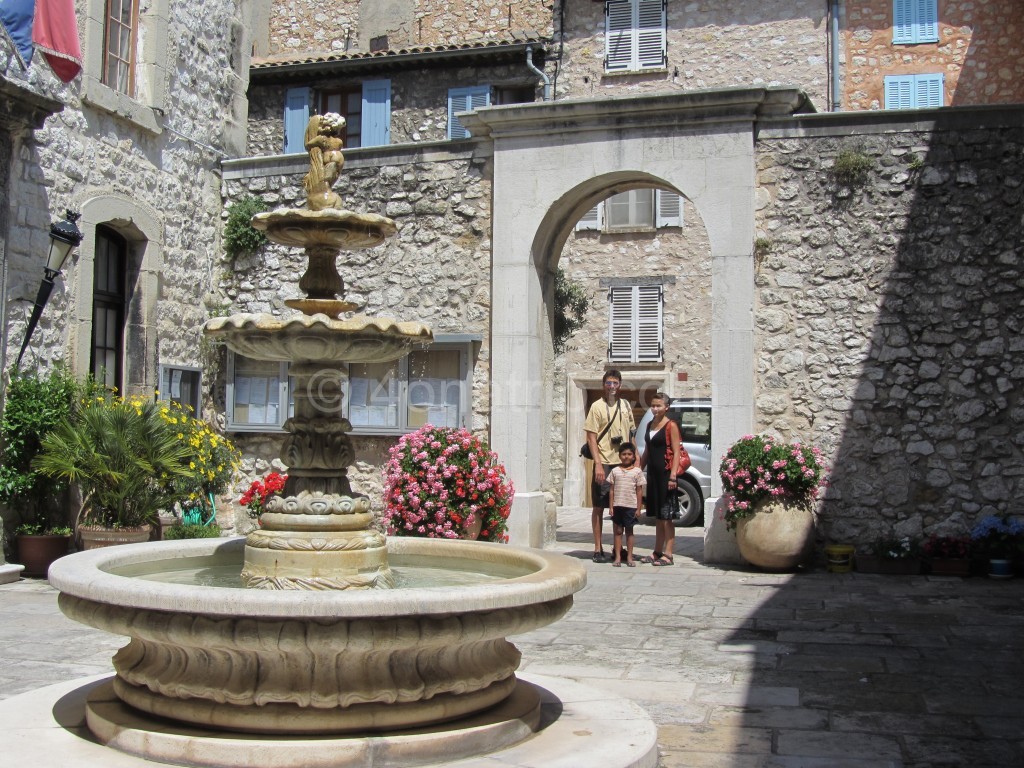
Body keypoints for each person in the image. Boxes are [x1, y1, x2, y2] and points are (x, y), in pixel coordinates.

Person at [584, 369, 635, 562]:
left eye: (615, 383)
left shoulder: (626, 406)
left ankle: (618, 548)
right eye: (608, 383)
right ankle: (598, 548)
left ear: (620, 384)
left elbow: (631, 433)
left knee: (620, 506)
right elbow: (591, 436)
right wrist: (597, 464)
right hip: (604, 462)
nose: (611, 386)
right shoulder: (596, 406)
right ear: (603, 385)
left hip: (623, 463)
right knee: (599, 506)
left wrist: (636, 457)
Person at [639, 392, 681, 566]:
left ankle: (668, 553)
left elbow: (677, 451)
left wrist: (673, 476)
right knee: (657, 516)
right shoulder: (649, 425)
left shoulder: (671, 426)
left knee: (667, 516)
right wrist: (638, 470)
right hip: (653, 475)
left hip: (666, 475)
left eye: (659, 406)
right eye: (653, 405)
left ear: (666, 407)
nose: (655, 408)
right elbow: (647, 451)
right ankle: (657, 551)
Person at [607, 442, 645, 567]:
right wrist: (611, 506)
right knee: (618, 531)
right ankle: (617, 557)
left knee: (629, 531)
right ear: (619, 456)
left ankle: (629, 557)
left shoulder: (637, 472)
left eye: (629, 454)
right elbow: (611, 490)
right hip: (618, 505)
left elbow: (639, 491)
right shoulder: (615, 471)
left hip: (631, 506)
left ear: (634, 456)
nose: (626, 457)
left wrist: (639, 508)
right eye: (623, 454)